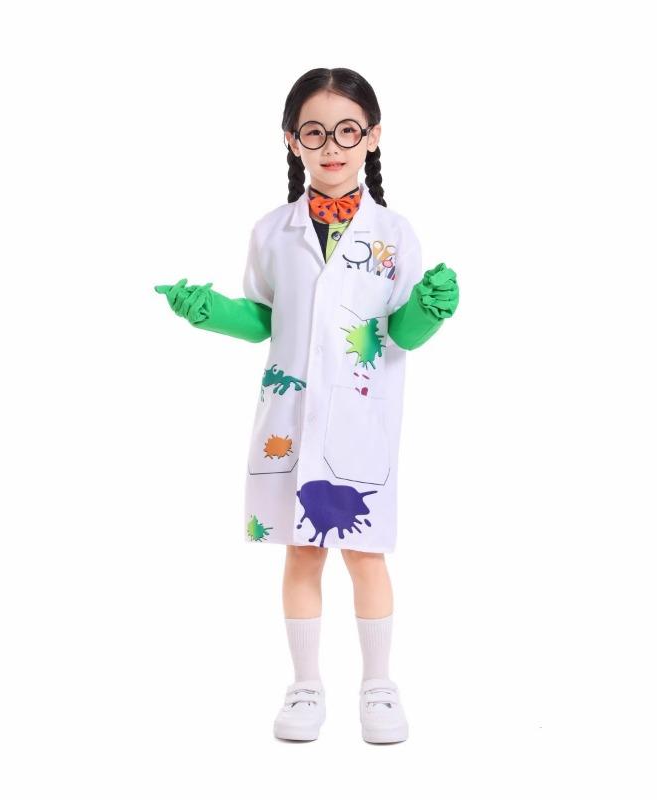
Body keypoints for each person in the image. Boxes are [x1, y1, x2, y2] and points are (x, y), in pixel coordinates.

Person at [154, 67, 459, 744]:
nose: (332, 146)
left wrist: (431, 310)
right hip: (290, 419)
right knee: (300, 552)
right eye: (315, 132)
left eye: (348, 131)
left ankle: (378, 686)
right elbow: (266, 318)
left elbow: (400, 333)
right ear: (292, 140)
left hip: (360, 420)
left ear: (373, 137)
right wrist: (208, 311)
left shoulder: (394, 234)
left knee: (366, 554)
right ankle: (305, 686)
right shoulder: (273, 231)